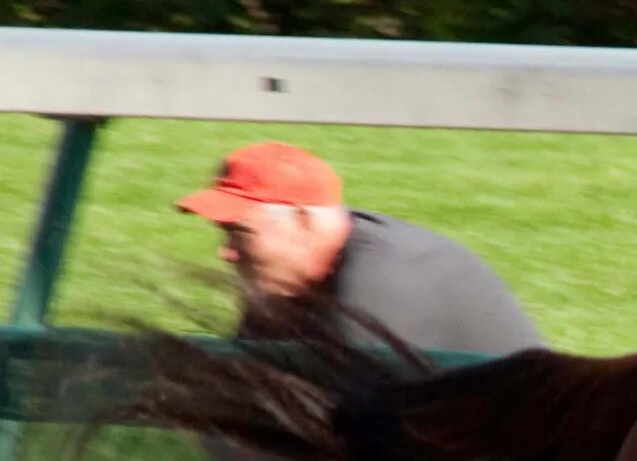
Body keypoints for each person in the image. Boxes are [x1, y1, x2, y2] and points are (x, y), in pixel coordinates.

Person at [178, 140, 545, 360]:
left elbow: (351, 423)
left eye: (240, 233)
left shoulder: (382, 282)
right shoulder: (291, 278)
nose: (226, 253)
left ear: (304, 222)